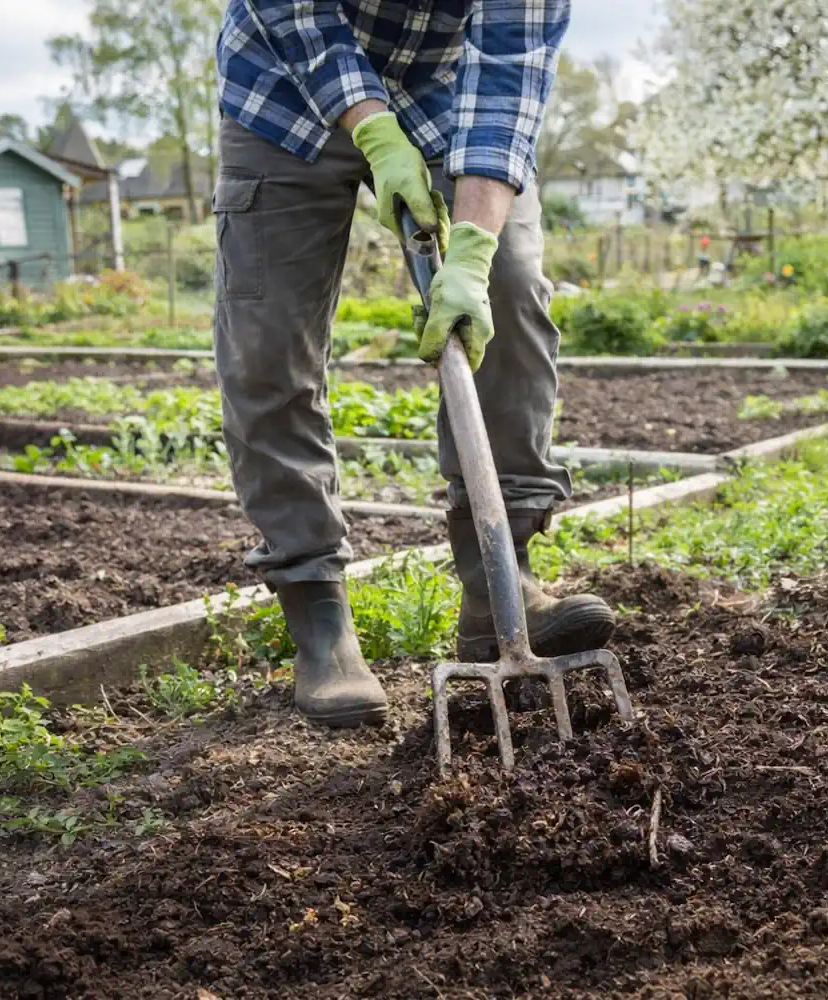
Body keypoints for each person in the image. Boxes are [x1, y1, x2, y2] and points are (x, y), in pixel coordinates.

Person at [214, 1, 615, 727]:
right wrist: (370, 126)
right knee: (266, 344)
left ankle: (500, 584)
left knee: (510, 289)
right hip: (285, 86)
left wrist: (472, 253)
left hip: (444, 91)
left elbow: (508, 70)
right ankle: (319, 614)